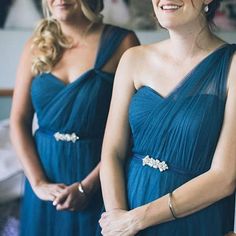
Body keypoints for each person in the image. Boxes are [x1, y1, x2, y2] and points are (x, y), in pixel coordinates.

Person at [99, 0, 236, 235]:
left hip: (194, 220)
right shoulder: (133, 59)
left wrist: (139, 219)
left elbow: (224, 177)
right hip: (126, 213)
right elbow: (112, 152)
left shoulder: (232, 66)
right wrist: (117, 218)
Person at [10, 0, 139, 235]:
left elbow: (130, 130)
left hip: (98, 173)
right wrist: (38, 183)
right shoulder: (35, 46)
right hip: (44, 176)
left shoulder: (122, 42)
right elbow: (18, 120)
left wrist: (88, 188)